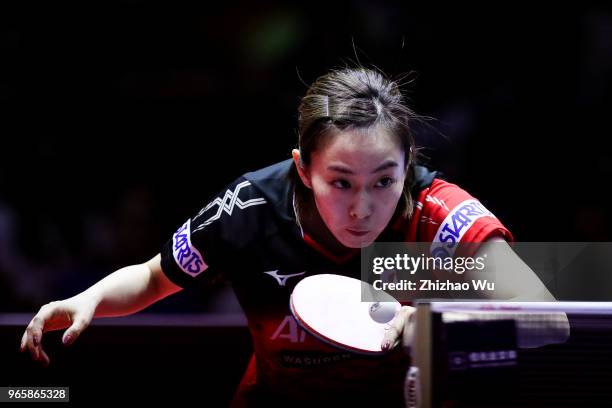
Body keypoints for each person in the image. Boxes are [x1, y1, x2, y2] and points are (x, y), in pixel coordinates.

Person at [20, 66, 555, 406]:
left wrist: (440, 327)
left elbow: (547, 321)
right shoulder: (248, 211)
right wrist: (87, 298)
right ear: (303, 169)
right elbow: (153, 279)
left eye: (384, 180)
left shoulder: (439, 216)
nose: (363, 207)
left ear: (407, 163)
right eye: (340, 182)